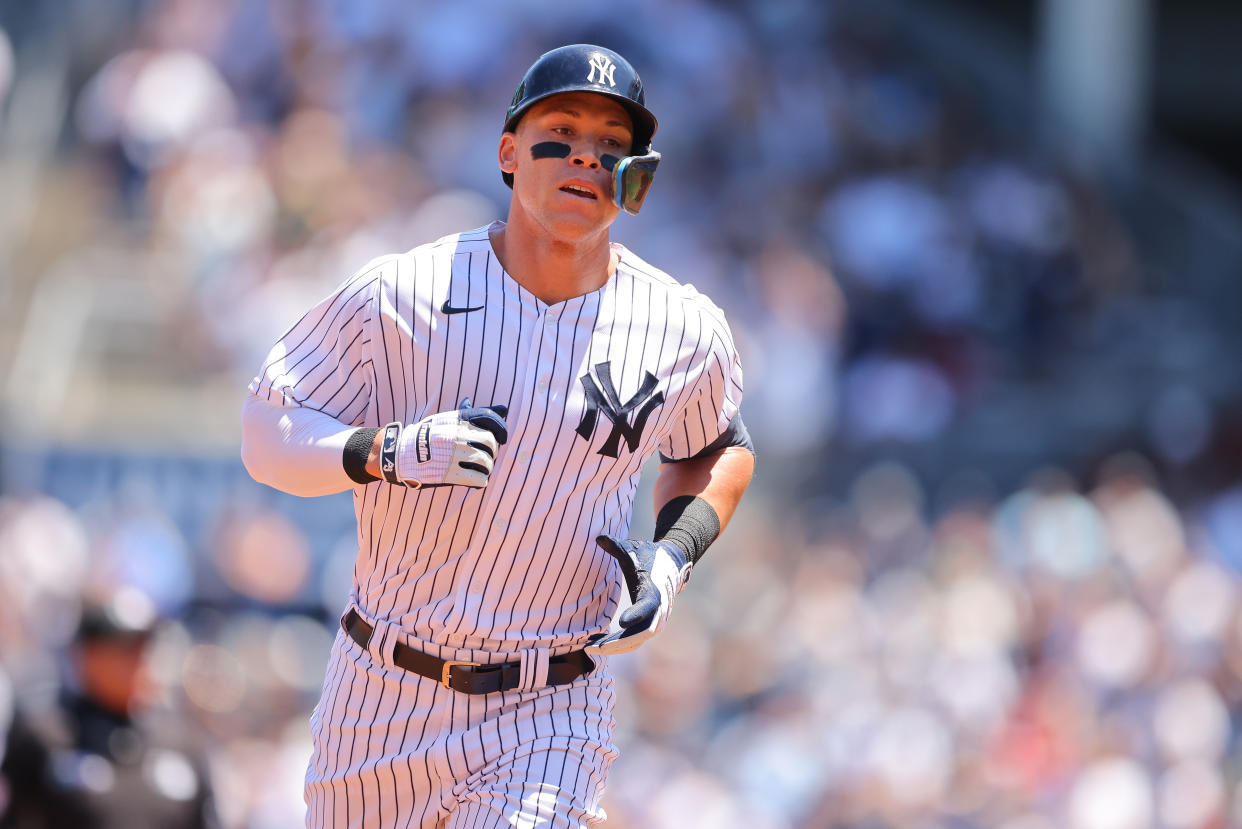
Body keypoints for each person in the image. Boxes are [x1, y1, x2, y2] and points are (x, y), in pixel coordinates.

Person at [241, 43, 755, 828]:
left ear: (637, 176)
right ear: (510, 151)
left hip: (552, 703)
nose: (587, 156)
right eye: (563, 131)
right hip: (381, 688)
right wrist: (388, 451)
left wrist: (672, 557)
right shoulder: (404, 291)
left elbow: (717, 448)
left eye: (612, 144)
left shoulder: (682, 327)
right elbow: (267, 432)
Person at [0, 595, 217, 828]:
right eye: (126, 649)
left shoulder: (182, 743)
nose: (139, 661)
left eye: (145, 647)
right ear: (85, 656)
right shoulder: (45, 737)